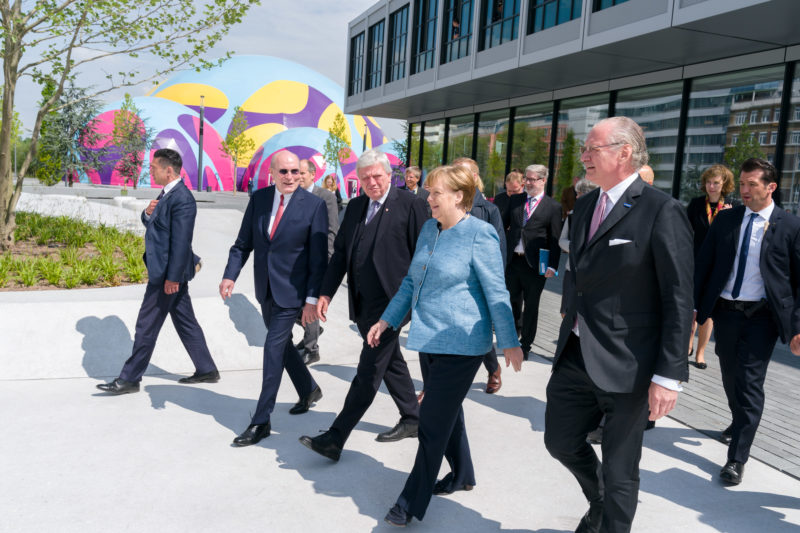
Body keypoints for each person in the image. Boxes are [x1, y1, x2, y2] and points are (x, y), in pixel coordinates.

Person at [544, 116, 692, 533]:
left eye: (594, 148)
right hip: (576, 353)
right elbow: (580, 271)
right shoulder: (587, 203)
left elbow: (678, 298)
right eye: (586, 149)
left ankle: (609, 520)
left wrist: (669, 375)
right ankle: (600, 501)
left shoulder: (662, 210)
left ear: (624, 153)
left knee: (621, 469)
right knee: (559, 441)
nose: (585, 155)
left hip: (631, 366)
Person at [365, 165, 523, 527]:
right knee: (447, 412)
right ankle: (462, 473)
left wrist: (509, 342)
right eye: (429, 192)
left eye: (436, 193)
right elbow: (409, 283)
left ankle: (410, 501)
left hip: (464, 343)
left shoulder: (480, 234)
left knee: (431, 422)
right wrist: (386, 320)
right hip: (428, 338)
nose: (429, 198)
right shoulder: (428, 230)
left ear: (458, 196)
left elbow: (496, 291)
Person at [298, 149, 428, 462]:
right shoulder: (356, 206)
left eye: (377, 176)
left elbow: (423, 258)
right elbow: (341, 253)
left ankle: (335, 437)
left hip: (394, 305)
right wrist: (325, 292)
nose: (371, 182)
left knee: (369, 369)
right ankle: (413, 418)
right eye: (365, 177)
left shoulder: (411, 206)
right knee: (390, 362)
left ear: (389, 176)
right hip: (364, 303)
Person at [694, 158, 800, 485]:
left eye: (752, 184)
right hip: (726, 312)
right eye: (742, 183)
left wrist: (797, 328)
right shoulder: (726, 220)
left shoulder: (790, 226)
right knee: (729, 374)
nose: (744, 190)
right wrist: (696, 307)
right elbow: (704, 265)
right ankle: (739, 421)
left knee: (750, 382)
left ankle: (736, 459)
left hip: (763, 318)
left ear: (770, 187)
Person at [220, 150, 328, 447]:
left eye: (295, 171)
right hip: (265, 289)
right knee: (281, 347)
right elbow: (243, 244)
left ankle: (261, 420)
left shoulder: (314, 206)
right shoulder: (260, 199)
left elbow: (319, 259)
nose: (291, 177)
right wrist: (230, 275)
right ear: (272, 173)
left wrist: (310, 299)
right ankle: (308, 388)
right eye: (284, 172)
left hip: (293, 292)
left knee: (272, 350)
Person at [97, 148, 219, 394]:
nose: (150, 171)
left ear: (169, 170)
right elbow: (158, 226)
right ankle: (206, 369)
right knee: (185, 321)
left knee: (146, 325)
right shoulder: (166, 194)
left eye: (153, 168)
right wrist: (147, 213)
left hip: (166, 274)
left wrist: (172, 277)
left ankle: (129, 378)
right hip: (166, 271)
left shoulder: (182, 199)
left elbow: (181, 242)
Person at [453, 156, 507, 394]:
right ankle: (436, 381)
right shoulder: (444, 205)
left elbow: (498, 252)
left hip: (477, 282)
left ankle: (493, 368)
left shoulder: (489, 210)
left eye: (461, 173)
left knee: (477, 329)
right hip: (449, 280)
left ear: (474, 177)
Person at [504, 163, 562, 358]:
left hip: (536, 265)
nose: (528, 183)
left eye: (532, 179)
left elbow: (555, 239)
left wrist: (553, 265)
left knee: (531, 305)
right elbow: (503, 227)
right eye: (526, 179)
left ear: (543, 180)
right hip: (513, 261)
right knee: (511, 301)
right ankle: (512, 339)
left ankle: (525, 345)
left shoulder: (553, 207)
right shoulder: (516, 200)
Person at [686, 164, 735, 369]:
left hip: (717, 266)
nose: (711, 186)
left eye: (716, 182)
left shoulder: (733, 207)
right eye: (708, 182)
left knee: (708, 309)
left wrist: (730, 217)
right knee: (690, 307)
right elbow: (685, 231)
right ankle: (686, 345)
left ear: (724, 184)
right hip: (695, 262)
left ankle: (700, 354)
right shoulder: (696, 204)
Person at [294, 158, 340, 365]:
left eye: (302, 173)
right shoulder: (293, 194)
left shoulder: (325, 197)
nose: (298, 177)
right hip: (295, 263)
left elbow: (331, 229)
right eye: (297, 173)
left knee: (309, 303)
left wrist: (328, 259)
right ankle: (311, 331)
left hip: (317, 261)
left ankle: (312, 348)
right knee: (293, 304)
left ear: (313, 174)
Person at [558, 178, 598, 317]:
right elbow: (561, 240)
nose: (576, 196)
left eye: (579, 193)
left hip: (591, 272)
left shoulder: (601, 216)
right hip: (571, 269)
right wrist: (574, 247)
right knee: (566, 311)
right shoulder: (572, 216)